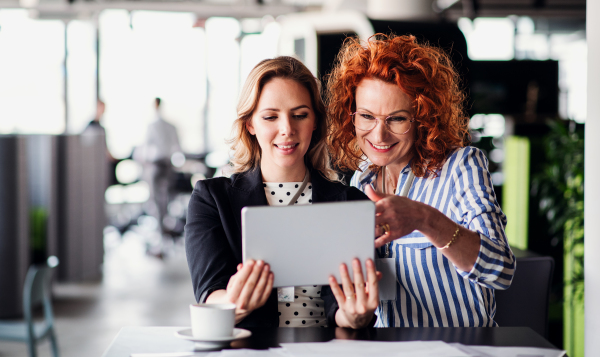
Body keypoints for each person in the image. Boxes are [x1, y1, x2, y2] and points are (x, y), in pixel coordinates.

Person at [326, 34, 515, 327]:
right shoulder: (360, 181)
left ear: (423, 118)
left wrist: (425, 220)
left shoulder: (460, 167)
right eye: (366, 116)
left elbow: (500, 270)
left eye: (396, 119)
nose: (378, 135)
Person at [185, 57, 380, 329]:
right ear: (250, 124)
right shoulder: (212, 200)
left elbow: (343, 305)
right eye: (270, 117)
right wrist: (234, 302)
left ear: (315, 122)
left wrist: (353, 316)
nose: (287, 129)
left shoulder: (351, 203)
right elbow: (209, 293)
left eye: (300, 115)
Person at [144, 97, 182, 253]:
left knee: (156, 197)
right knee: (165, 197)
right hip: (167, 164)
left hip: (156, 165)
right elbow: (177, 147)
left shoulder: (152, 126)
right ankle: (163, 228)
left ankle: (161, 229)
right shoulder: (170, 126)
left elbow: (147, 147)